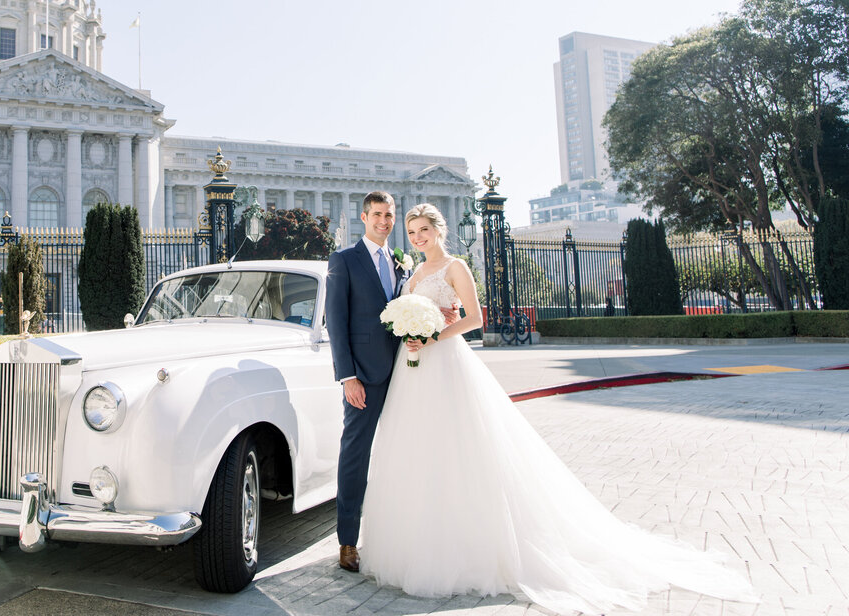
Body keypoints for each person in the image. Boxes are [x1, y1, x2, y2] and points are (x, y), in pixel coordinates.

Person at [358, 203, 757, 614]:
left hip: (444, 363)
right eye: (412, 231)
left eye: (424, 229)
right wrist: (410, 331)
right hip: (413, 371)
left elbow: (476, 318)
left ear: (439, 230)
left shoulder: (455, 266)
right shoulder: (413, 273)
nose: (418, 237)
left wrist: (434, 336)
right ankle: (418, 541)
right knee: (418, 451)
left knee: (459, 448)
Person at [324, 191, 410, 573]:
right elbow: (336, 323)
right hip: (364, 377)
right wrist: (347, 377)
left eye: (389, 215)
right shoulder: (343, 260)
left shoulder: (401, 262)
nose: (383, 221)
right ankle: (347, 542)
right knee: (356, 456)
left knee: (403, 453)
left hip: (407, 375)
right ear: (364, 217)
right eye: (377, 214)